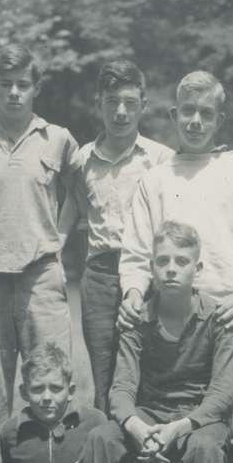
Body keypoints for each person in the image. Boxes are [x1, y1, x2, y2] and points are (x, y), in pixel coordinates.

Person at [74, 221, 233, 463]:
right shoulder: (137, 319)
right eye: (162, 260)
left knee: (207, 448)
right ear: (151, 268)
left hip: (197, 418)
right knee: (101, 438)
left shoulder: (218, 319)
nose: (171, 268)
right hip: (150, 414)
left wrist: (179, 428)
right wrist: (137, 427)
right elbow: (122, 389)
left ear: (198, 269)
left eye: (181, 261)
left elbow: (221, 396)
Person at [0, 44, 79, 463]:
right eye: (5, 85)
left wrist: (56, 240)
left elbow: (77, 195)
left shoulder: (57, 138)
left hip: (41, 276)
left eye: (23, 85)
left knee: (51, 386)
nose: (14, 93)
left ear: (36, 88)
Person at [117, 70, 233, 426]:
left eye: (206, 113)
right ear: (173, 115)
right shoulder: (156, 178)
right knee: (172, 417)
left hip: (230, 316)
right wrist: (133, 294)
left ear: (220, 119)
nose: (195, 122)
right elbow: (137, 251)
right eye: (187, 111)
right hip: (172, 321)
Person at [70, 59, 173, 412]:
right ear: (99, 103)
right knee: (103, 370)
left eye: (130, 102)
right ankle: (105, 452)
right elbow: (77, 212)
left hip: (147, 275)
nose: (121, 112)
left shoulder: (161, 159)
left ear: (144, 104)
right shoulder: (82, 158)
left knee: (146, 368)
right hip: (99, 274)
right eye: (112, 102)